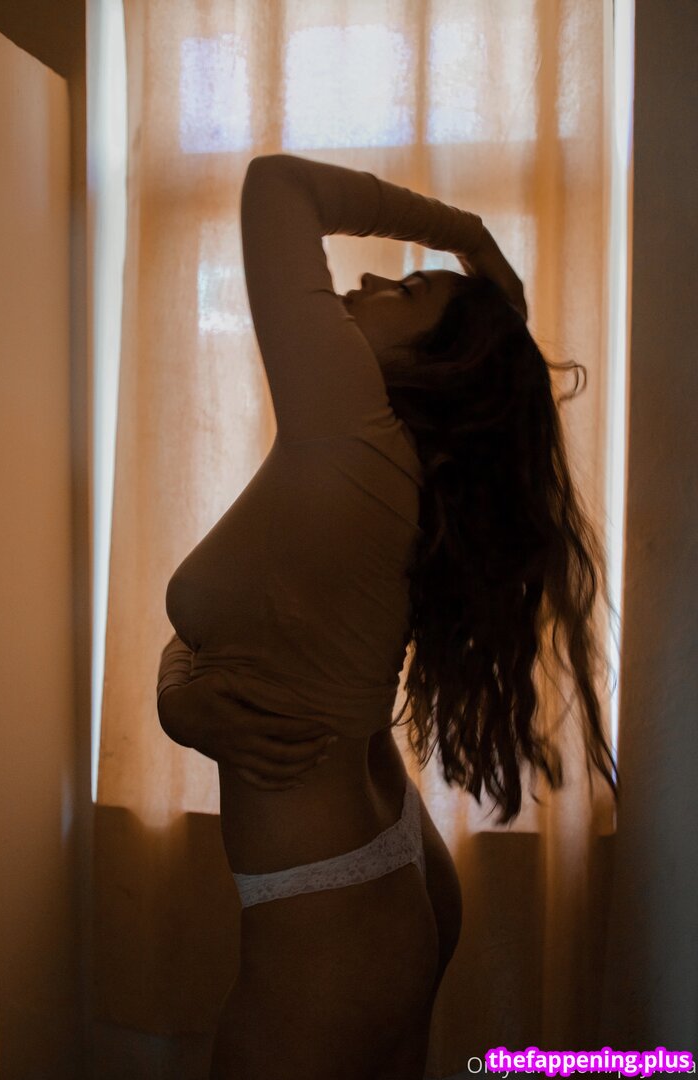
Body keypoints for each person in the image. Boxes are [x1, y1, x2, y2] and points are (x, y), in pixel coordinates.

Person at [156, 153, 619, 1080]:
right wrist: (177, 697)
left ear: (435, 367)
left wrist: (468, 236)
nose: (367, 280)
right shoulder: (392, 468)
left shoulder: (353, 436)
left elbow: (277, 185)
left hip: (328, 919)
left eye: (406, 292)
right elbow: (235, 634)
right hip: (375, 869)